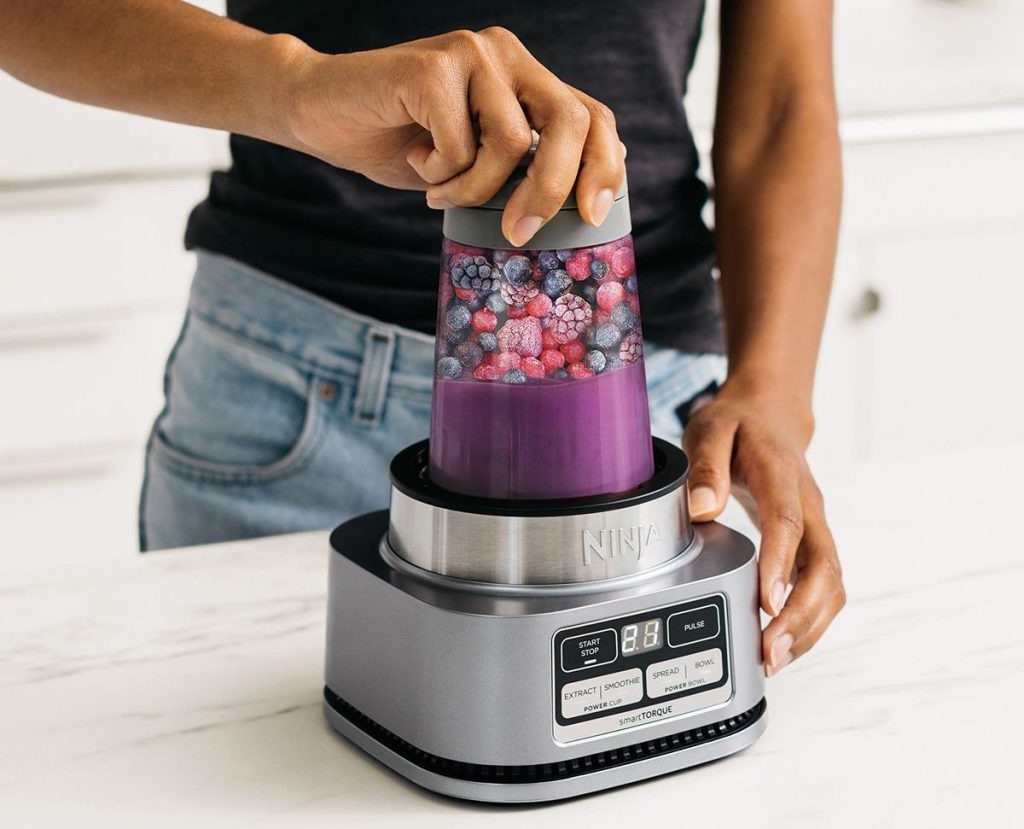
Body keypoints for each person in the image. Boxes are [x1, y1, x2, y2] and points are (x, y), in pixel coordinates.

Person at [1, 0, 844, 676]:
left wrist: (773, 387)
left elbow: (782, 106)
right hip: (288, 399)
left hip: (644, 423)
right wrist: (296, 84)